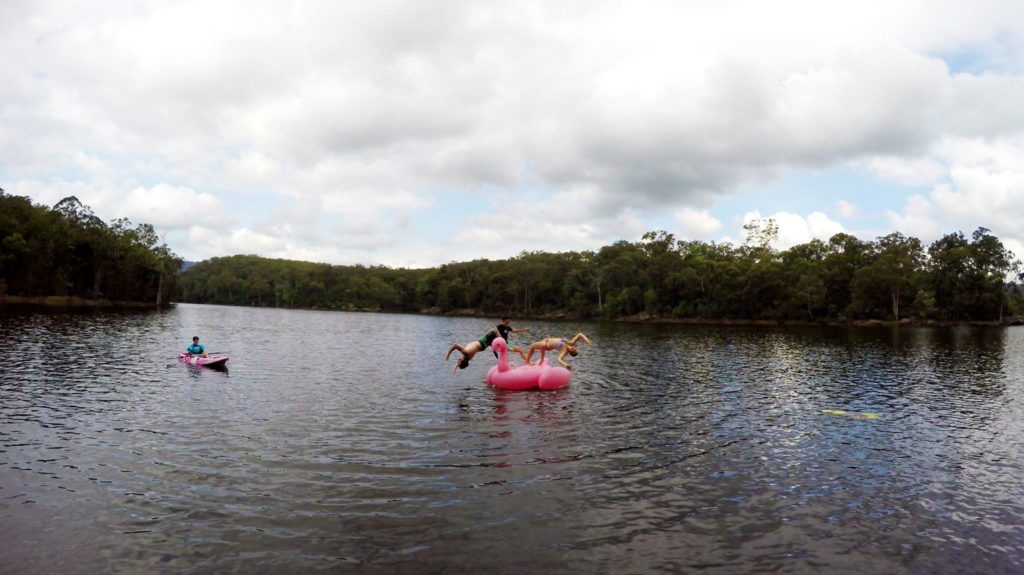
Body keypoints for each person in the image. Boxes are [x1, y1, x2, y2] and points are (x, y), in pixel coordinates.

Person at [446, 327, 527, 373]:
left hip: (484, 345)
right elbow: (455, 345)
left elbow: (460, 361)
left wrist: (455, 368)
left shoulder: (467, 358)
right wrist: (448, 355)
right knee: (495, 331)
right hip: (483, 343)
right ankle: (505, 348)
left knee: (500, 344)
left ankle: (500, 348)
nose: (458, 360)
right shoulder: (465, 353)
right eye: (459, 361)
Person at [524, 333, 592, 369]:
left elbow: (559, 359)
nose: (573, 348)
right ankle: (539, 361)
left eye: (572, 350)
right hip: (545, 341)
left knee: (531, 347)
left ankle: (527, 362)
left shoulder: (564, 351)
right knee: (539, 353)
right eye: (574, 348)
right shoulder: (570, 343)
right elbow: (579, 335)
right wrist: (586, 340)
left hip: (545, 345)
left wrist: (565, 364)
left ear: (570, 352)